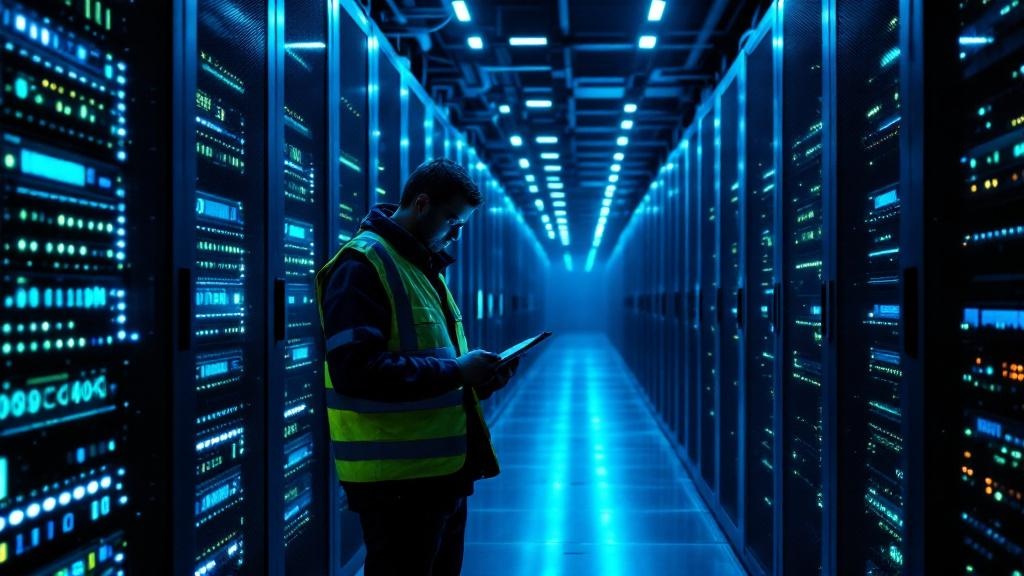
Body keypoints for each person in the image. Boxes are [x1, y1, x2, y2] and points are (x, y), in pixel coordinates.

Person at [314, 158, 519, 575]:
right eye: (453, 222)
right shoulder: (363, 265)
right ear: (422, 204)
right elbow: (357, 371)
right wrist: (459, 372)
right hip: (397, 484)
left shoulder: (423, 266)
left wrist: (479, 380)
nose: (455, 235)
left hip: (441, 474)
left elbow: (437, 362)